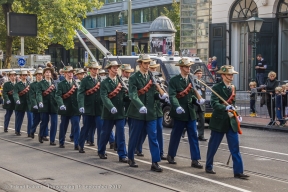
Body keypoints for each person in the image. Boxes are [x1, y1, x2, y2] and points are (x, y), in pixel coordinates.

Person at [205, 65, 249, 179]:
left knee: (235, 147)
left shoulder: (232, 88)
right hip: (219, 121)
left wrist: (237, 114)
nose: (231, 76)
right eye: (229, 74)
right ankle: (209, 165)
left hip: (231, 121)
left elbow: (232, 104)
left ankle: (238, 171)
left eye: (232, 74)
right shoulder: (217, 88)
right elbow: (214, 103)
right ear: (223, 75)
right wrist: (225, 107)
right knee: (213, 146)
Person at [127, 54, 168, 172]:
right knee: (134, 136)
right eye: (145, 63)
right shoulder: (134, 77)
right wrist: (140, 106)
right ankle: (130, 158)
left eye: (148, 63)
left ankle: (155, 162)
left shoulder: (151, 76)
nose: (147, 66)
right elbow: (133, 94)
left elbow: (152, 94)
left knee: (153, 137)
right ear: (140, 64)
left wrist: (161, 96)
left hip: (150, 113)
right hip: (137, 112)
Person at [167, 58, 205, 169]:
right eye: (186, 67)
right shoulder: (174, 80)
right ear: (181, 68)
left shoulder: (191, 80)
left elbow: (191, 96)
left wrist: (197, 101)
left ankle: (195, 159)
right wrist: (177, 106)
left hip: (190, 113)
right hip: (179, 113)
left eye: (189, 67)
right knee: (176, 136)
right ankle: (171, 155)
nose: (189, 69)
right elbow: (172, 96)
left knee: (193, 136)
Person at [98, 61, 129, 162]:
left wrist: (130, 97)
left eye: (117, 68)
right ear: (109, 69)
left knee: (121, 134)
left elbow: (123, 97)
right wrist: (111, 107)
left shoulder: (120, 81)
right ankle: (101, 150)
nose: (116, 69)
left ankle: (122, 154)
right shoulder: (104, 83)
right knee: (105, 134)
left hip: (120, 112)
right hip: (108, 113)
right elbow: (104, 97)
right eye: (114, 68)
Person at [136, 60, 167, 160]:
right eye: (152, 68)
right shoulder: (147, 79)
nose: (154, 70)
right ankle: (138, 147)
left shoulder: (158, 79)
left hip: (157, 109)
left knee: (158, 131)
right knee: (144, 131)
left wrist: (161, 92)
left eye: (154, 68)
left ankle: (160, 153)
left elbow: (162, 91)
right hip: (147, 108)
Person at [77, 61, 103, 153]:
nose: (95, 71)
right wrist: (81, 105)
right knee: (86, 127)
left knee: (100, 129)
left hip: (99, 109)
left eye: (97, 69)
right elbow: (80, 93)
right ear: (90, 70)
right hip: (88, 108)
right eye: (94, 69)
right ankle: (81, 145)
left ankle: (101, 149)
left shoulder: (101, 80)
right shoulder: (85, 80)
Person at [36, 66, 58, 145]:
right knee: (44, 122)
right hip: (44, 105)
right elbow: (38, 94)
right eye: (47, 72)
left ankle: (52, 140)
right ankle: (41, 134)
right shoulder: (40, 83)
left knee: (54, 123)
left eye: (49, 72)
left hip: (54, 105)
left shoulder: (55, 83)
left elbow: (58, 94)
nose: (48, 74)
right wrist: (40, 102)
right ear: (44, 74)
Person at [30, 68, 49, 139]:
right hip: (36, 106)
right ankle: (32, 131)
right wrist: (35, 104)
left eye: (41, 74)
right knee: (36, 120)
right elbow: (32, 96)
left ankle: (44, 134)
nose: (39, 76)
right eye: (38, 74)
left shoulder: (45, 83)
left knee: (45, 120)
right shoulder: (32, 85)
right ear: (36, 75)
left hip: (44, 105)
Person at [13, 71, 31, 136]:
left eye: (26, 75)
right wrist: (17, 99)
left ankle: (30, 132)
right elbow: (15, 93)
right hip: (20, 103)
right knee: (19, 118)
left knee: (30, 118)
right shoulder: (17, 85)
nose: (24, 76)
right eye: (23, 75)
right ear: (21, 76)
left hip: (28, 103)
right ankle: (17, 130)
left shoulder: (29, 84)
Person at [193, 68, 207, 141]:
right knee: (193, 120)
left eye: (200, 73)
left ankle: (201, 135)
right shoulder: (192, 81)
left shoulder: (203, 82)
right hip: (194, 103)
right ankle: (185, 130)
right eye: (198, 73)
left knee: (202, 120)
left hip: (201, 104)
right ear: (195, 74)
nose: (199, 75)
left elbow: (203, 94)